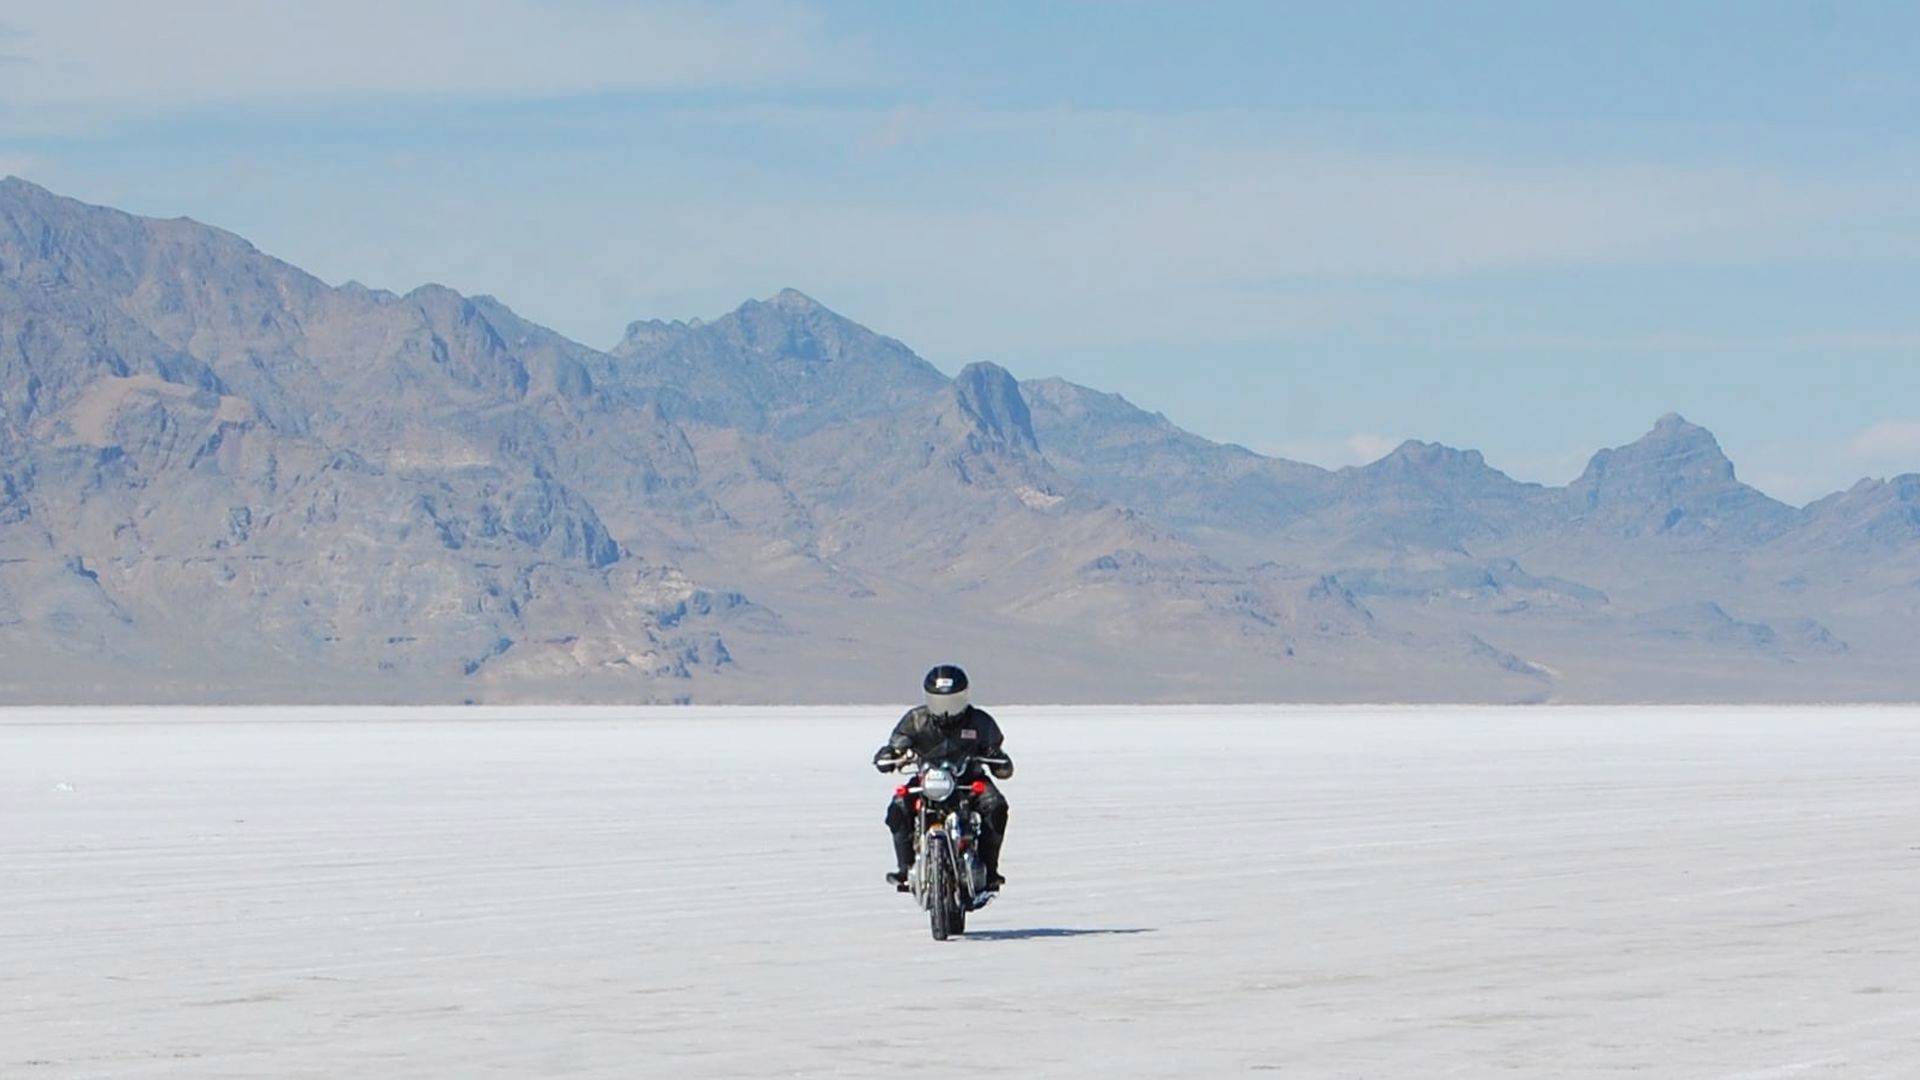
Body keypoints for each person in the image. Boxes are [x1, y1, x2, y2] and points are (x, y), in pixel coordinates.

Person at [873, 664, 1014, 892]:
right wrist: (890, 754)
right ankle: (905, 868)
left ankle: (989, 869)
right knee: (898, 808)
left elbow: (997, 755)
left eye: (952, 701)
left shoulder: (979, 722)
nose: (945, 709)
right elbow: (897, 743)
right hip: (928, 780)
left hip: (968, 780)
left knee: (996, 807)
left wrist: (998, 760)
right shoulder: (916, 720)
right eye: (939, 701)